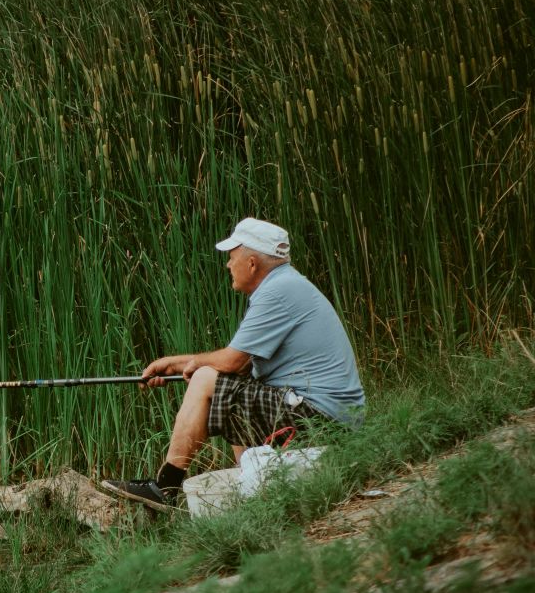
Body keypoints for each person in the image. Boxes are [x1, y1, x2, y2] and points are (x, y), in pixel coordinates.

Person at [100, 217, 365, 511]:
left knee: (206, 378)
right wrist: (174, 365)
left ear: (252, 263)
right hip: (330, 416)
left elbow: (231, 361)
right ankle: (249, 488)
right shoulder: (287, 285)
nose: (227, 265)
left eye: (232, 257)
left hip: (322, 418)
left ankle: (165, 487)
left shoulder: (278, 291)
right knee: (232, 390)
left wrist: (180, 365)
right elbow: (239, 369)